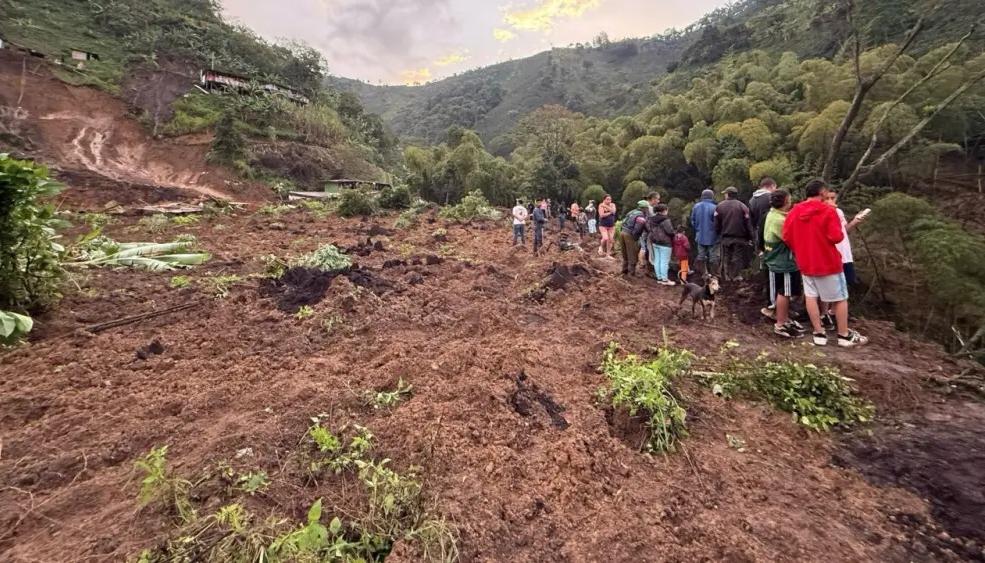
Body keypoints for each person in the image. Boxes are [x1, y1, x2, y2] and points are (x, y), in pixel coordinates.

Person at [783, 179, 868, 348]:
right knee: (840, 298)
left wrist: (800, 247)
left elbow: (786, 236)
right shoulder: (828, 212)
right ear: (822, 193)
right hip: (828, 262)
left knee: (811, 296)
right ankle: (844, 335)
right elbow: (837, 236)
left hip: (805, 262)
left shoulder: (794, 211)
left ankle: (819, 333)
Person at [763, 190, 807, 339]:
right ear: (785, 202)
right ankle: (780, 324)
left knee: (784, 291)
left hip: (776, 260)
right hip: (784, 262)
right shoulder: (779, 221)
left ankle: (785, 319)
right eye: (789, 200)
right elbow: (792, 239)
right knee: (785, 292)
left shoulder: (773, 214)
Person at [821, 188, 868, 330]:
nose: (830, 201)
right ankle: (824, 314)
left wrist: (855, 221)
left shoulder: (839, 212)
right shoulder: (820, 214)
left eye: (833, 198)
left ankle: (834, 312)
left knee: (845, 283)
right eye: (827, 198)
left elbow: (844, 230)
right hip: (830, 254)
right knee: (827, 286)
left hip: (845, 253)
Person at [714, 186, 754, 281]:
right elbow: (748, 224)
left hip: (725, 237)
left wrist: (719, 233)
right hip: (740, 237)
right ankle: (736, 276)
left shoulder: (719, 206)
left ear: (728, 194)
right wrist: (750, 237)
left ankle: (726, 276)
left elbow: (716, 224)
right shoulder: (743, 206)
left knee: (726, 256)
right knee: (737, 257)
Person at [691, 189, 719, 276]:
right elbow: (717, 223)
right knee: (713, 256)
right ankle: (714, 275)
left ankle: (702, 274)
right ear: (712, 196)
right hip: (713, 237)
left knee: (701, 255)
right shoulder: (715, 207)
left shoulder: (696, 206)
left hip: (699, 235)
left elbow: (693, 221)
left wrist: (698, 229)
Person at [647, 203, 676, 285]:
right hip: (665, 243)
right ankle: (665, 280)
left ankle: (659, 278)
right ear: (664, 210)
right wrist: (674, 234)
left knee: (657, 260)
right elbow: (670, 231)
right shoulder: (665, 220)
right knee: (664, 261)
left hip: (655, 242)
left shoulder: (651, 219)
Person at [619, 200, 649, 276]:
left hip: (622, 232)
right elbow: (638, 228)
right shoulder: (641, 216)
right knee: (632, 254)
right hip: (630, 235)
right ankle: (631, 274)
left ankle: (624, 270)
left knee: (625, 254)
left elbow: (623, 221)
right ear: (644, 208)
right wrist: (635, 238)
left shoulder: (632, 212)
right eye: (647, 208)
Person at [748, 177, 777, 252]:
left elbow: (751, 220)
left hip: (758, 233)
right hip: (771, 232)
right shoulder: (771, 198)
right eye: (775, 187)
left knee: (762, 255)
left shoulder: (752, 199)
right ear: (772, 186)